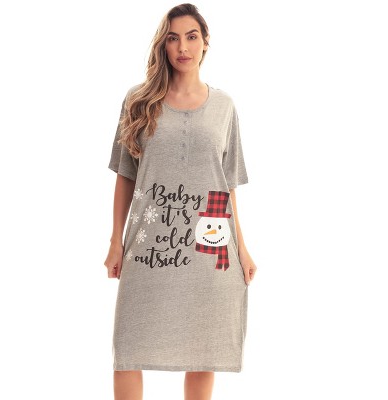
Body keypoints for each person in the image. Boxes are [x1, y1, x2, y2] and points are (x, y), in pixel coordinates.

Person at [104, 3, 257, 399]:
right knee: (128, 347)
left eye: (191, 37)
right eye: (173, 38)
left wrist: (242, 249)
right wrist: (115, 241)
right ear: (164, 45)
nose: (183, 47)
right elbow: (125, 174)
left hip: (210, 248)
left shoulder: (224, 107)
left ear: (206, 43)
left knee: (203, 349)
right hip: (148, 248)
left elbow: (227, 184)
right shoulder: (138, 101)